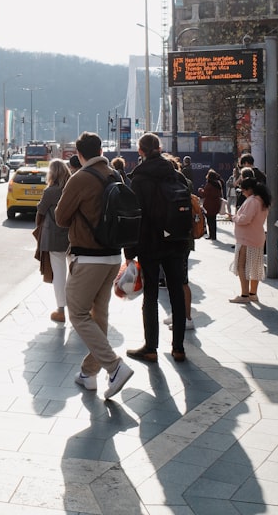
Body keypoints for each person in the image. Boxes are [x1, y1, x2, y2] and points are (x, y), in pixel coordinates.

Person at [55, 132, 135, 399]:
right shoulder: (114, 174)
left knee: (77, 313)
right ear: (100, 149)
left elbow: (61, 217)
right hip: (113, 256)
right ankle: (89, 373)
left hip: (88, 257)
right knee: (99, 315)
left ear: (78, 154)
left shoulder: (79, 179)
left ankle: (114, 367)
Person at [126, 133, 193, 363]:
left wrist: (130, 251)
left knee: (151, 295)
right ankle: (179, 348)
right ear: (160, 148)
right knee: (176, 292)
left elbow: (135, 217)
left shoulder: (139, 179)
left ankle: (151, 348)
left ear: (141, 151)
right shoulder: (176, 175)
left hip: (149, 244)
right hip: (175, 243)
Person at [36, 159, 72, 323]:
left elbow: (41, 211)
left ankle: (61, 310)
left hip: (54, 237)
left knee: (59, 274)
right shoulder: (71, 188)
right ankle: (78, 307)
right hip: (74, 236)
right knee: (75, 273)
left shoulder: (50, 191)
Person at [229, 176, 272, 303]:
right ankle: (253, 294)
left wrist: (234, 218)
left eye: (243, 190)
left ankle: (244, 295)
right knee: (255, 267)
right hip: (257, 237)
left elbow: (245, 219)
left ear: (249, 189)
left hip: (246, 238)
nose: (242, 193)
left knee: (242, 266)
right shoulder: (262, 200)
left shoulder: (252, 201)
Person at [199, 168, 224, 241]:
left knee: (209, 220)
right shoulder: (218, 184)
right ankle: (214, 235)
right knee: (213, 220)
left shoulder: (209, 184)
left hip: (209, 204)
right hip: (216, 203)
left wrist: (200, 190)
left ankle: (211, 235)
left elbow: (205, 194)